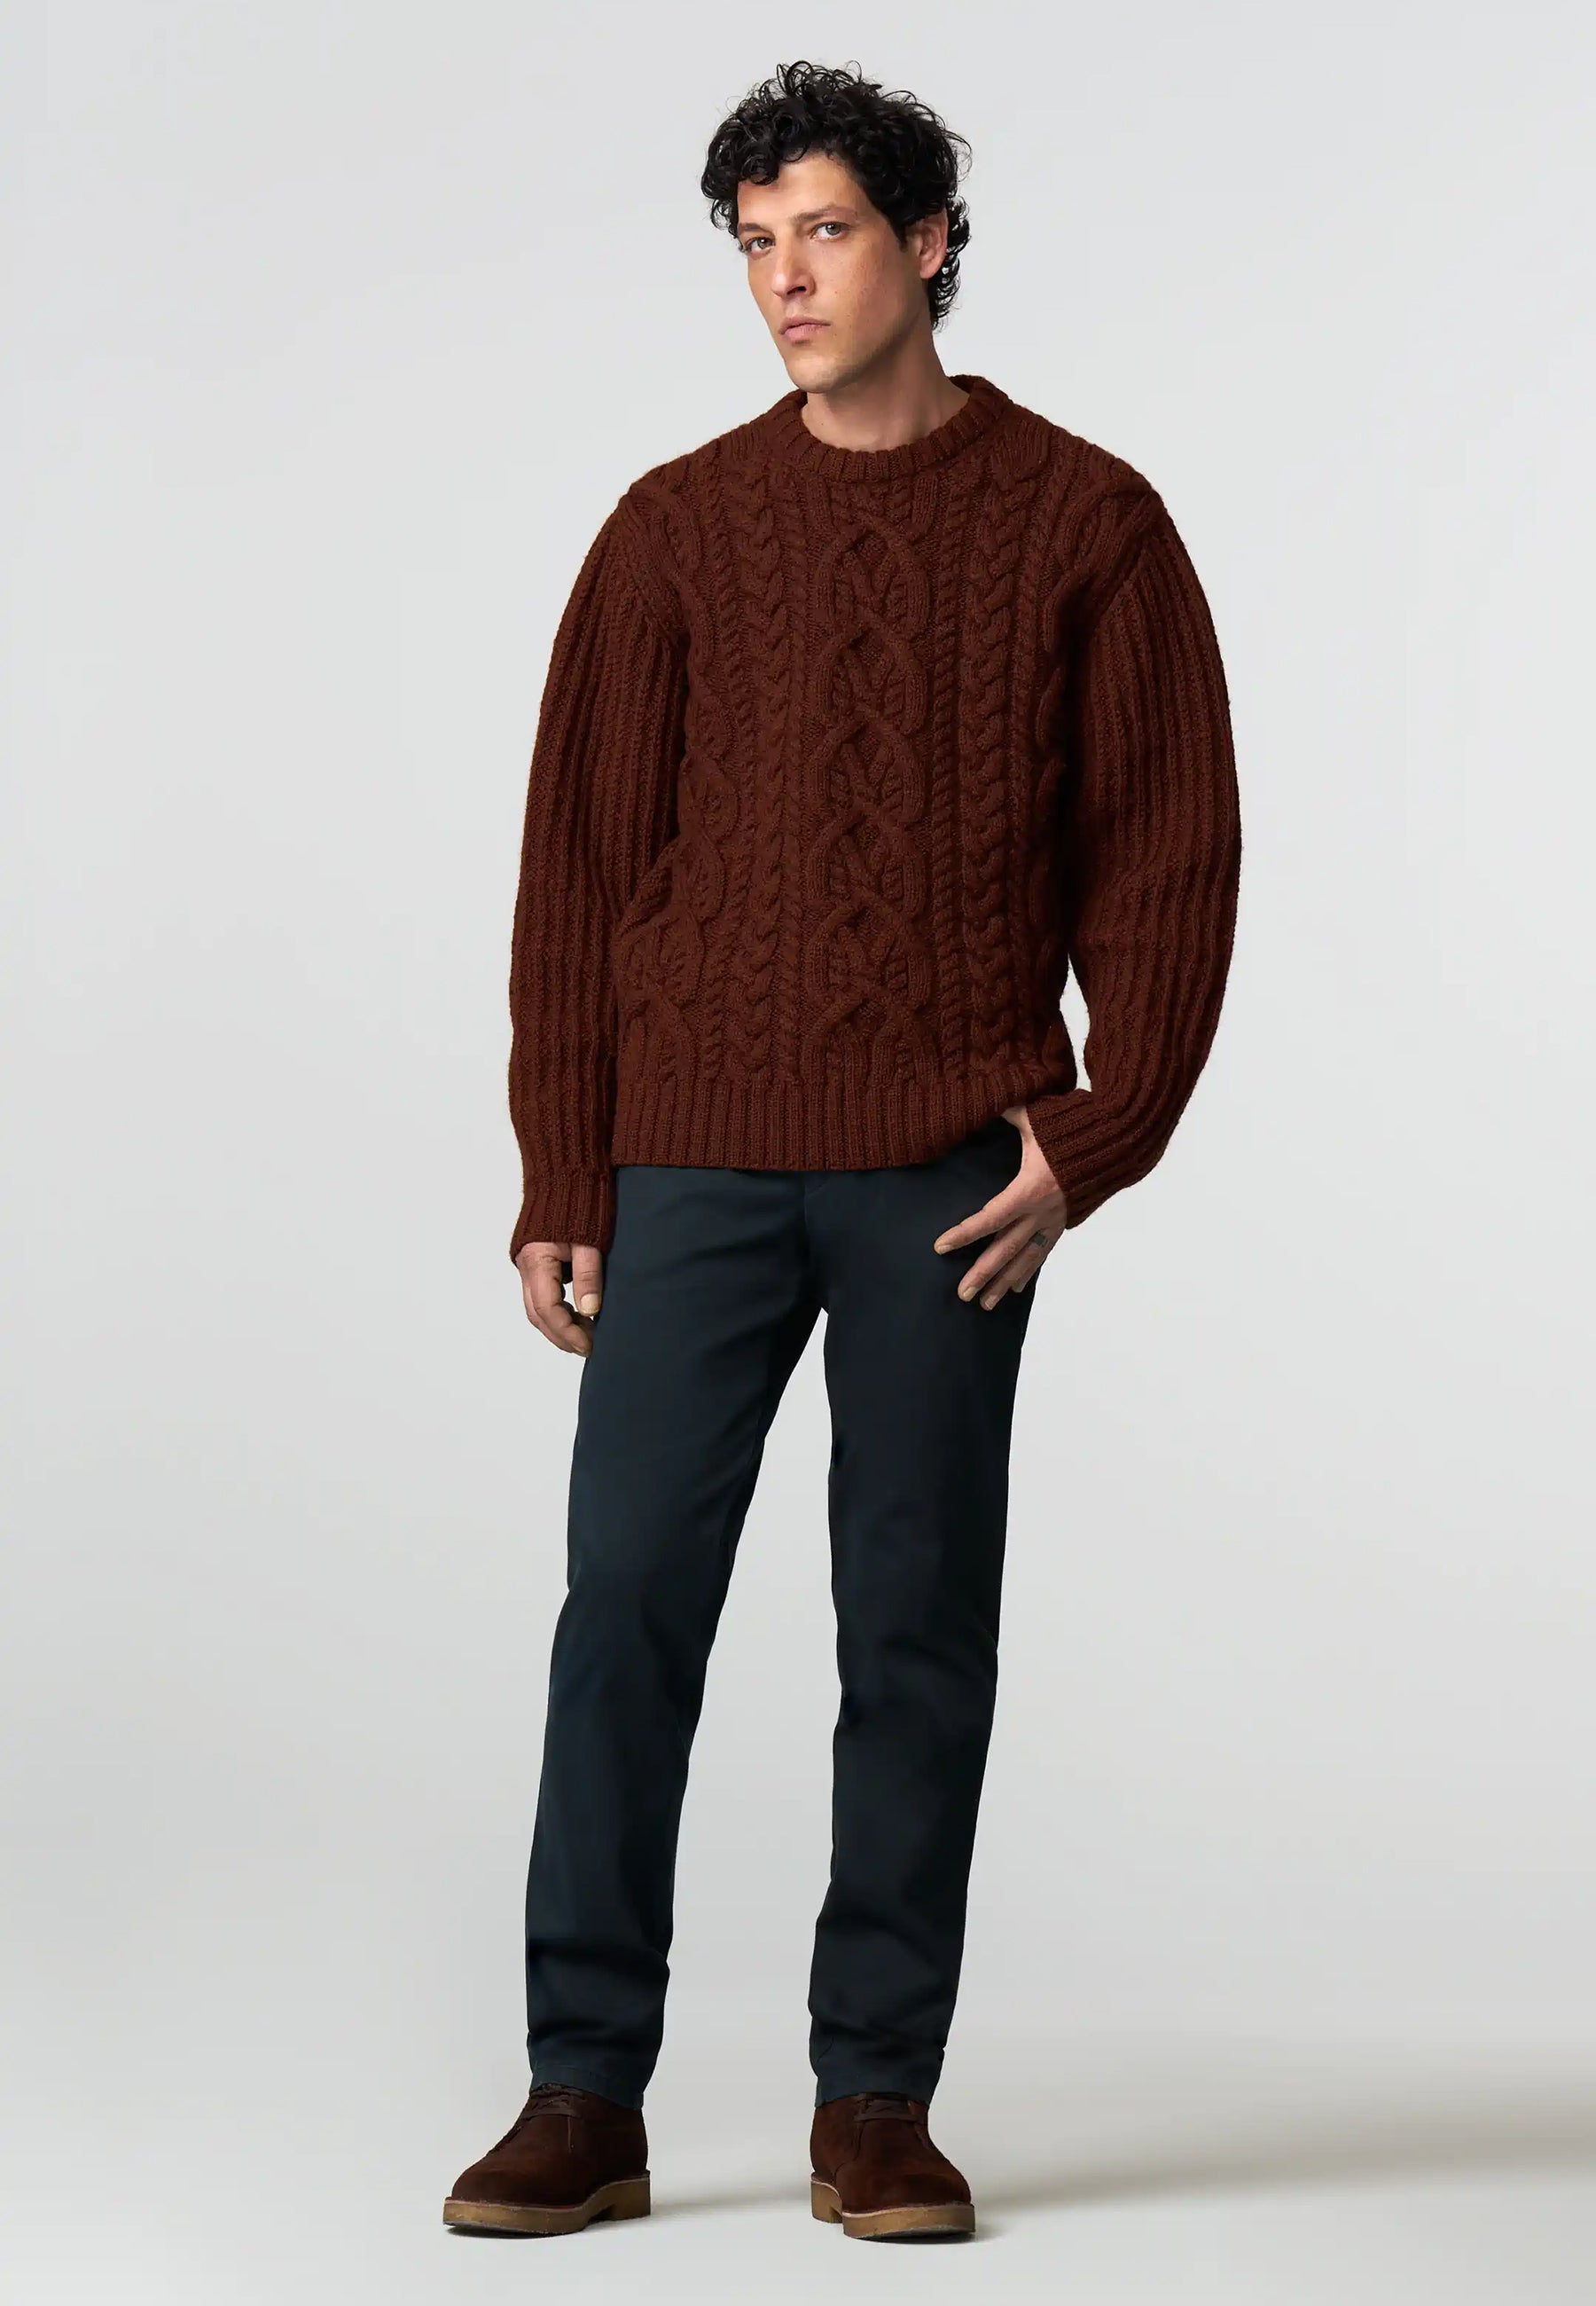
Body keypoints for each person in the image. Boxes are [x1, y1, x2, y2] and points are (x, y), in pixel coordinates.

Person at [443, 57, 1241, 2244]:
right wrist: (562, 1168)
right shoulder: (674, 531)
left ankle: (875, 2099)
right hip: (691, 1159)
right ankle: (583, 2090)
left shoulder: (1088, 524)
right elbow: (578, 867)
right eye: (756, 244)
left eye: (825, 231)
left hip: (944, 1175)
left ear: (930, 244)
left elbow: (1170, 852)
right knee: (628, 1607)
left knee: (914, 1629)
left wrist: (1095, 1136)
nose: (787, 278)